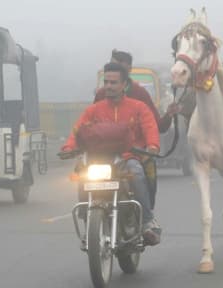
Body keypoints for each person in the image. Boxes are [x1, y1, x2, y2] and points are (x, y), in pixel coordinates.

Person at [62, 62, 162, 246]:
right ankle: (88, 221)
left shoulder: (139, 107)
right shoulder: (93, 110)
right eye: (106, 82)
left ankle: (147, 221)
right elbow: (78, 130)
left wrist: (152, 146)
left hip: (128, 158)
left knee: (138, 173)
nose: (108, 86)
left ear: (124, 84)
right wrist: (69, 147)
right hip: (99, 159)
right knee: (82, 174)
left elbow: (150, 127)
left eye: (113, 82)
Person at [95, 49, 180, 133]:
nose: (114, 70)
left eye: (118, 67)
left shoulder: (139, 93)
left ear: (129, 69)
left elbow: (157, 126)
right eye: (112, 67)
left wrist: (169, 114)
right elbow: (91, 125)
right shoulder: (101, 94)